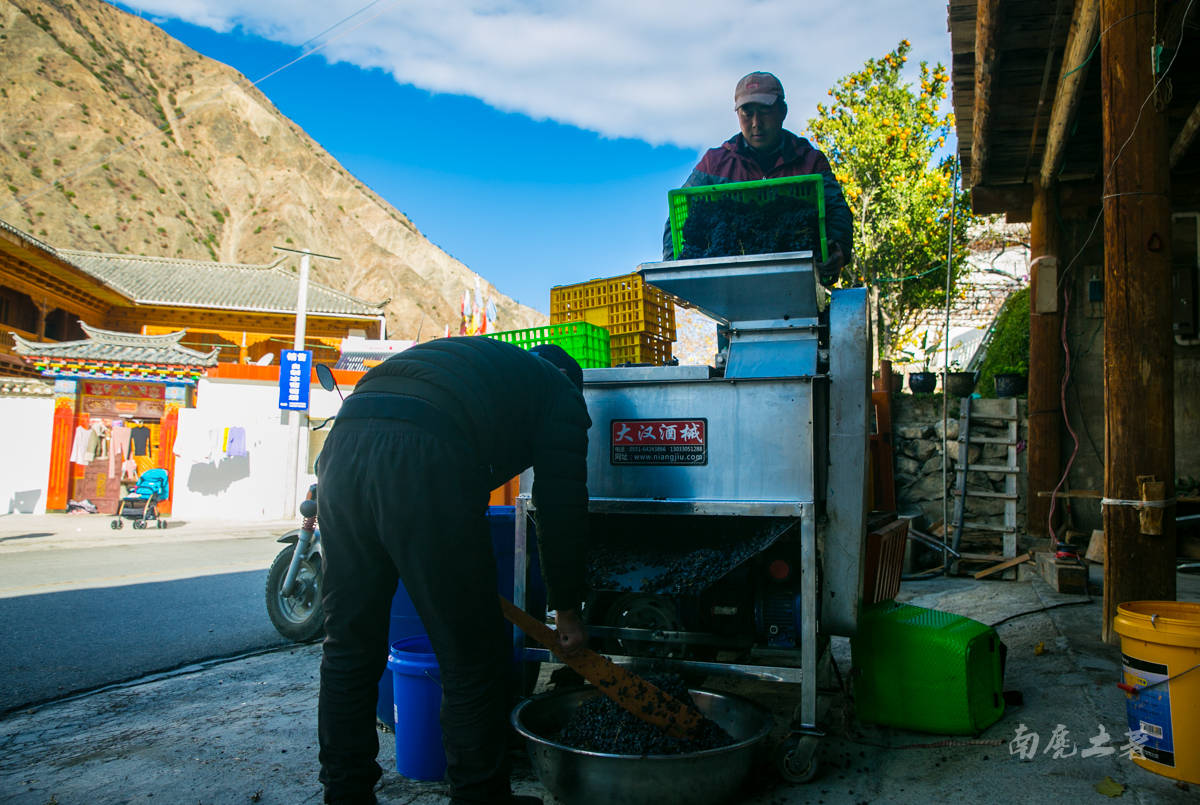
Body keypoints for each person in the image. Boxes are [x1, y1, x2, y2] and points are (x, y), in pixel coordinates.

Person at [315, 337, 591, 805]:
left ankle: (345, 794)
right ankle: (480, 797)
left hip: (341, 450)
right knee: (471, 654)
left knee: (349, 644)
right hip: (423, 452)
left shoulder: (484, 366)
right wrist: (568, 609)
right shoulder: (560, 392)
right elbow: (561, 507)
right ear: (572, 383)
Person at [663, 71, 854, 285]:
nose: (756, 122)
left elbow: (837, 210)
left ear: (782, 111)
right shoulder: (715, 163)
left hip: (797, 280)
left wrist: (839, 250)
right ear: (738, 114)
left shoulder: (809, 161)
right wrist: (675, 273)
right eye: (747, 113)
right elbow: (677, 222)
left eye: (765, 111)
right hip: (730, 283)